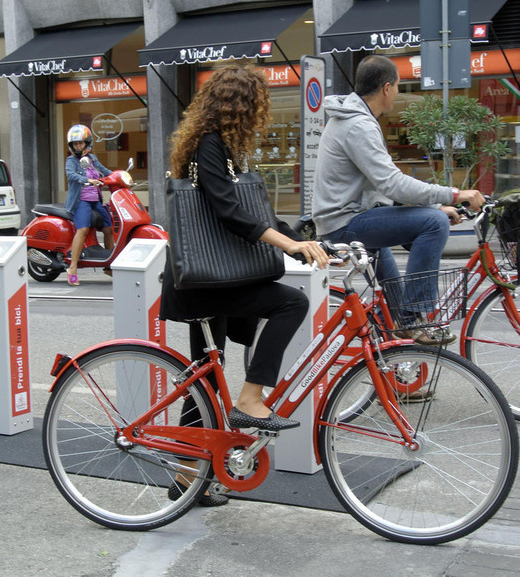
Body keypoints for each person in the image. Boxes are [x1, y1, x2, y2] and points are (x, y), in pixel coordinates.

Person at [161, 65, 329, 506]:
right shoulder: (211, 145)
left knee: (203, 381)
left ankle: (184, 480)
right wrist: (288, 244)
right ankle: (251, 399)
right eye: (258, 103)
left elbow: (256, 211)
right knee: (290, 303)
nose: (260, 111)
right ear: (244, 104)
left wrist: (300, 237)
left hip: (215, 277)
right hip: (204, 280)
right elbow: (229, 213)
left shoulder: (227, 147)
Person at [312, 54, 485, 345]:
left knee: (393, 309)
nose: (398, 93)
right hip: (346, 225)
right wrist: (455, 194)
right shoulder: (359, 126)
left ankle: (399, 376)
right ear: (387, 88)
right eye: (399, 87)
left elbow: (382, 187)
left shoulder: (355, 120)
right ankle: (414, 317)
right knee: (432, 224)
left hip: (353, 218)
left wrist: (437, 204)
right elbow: (392, 184)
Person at [64, 124, 114, 286]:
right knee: (83, 229)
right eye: (75, 144)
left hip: (96, 200)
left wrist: (120, 176)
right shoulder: (71, 160)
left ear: (87, 143)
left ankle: (108, 265)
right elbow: (71, 175)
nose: (78, 146)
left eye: (81, 143)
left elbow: (105, 171)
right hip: (81, 201)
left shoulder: (93, 159)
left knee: (108, 228)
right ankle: (72, 268)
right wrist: (87, 180)